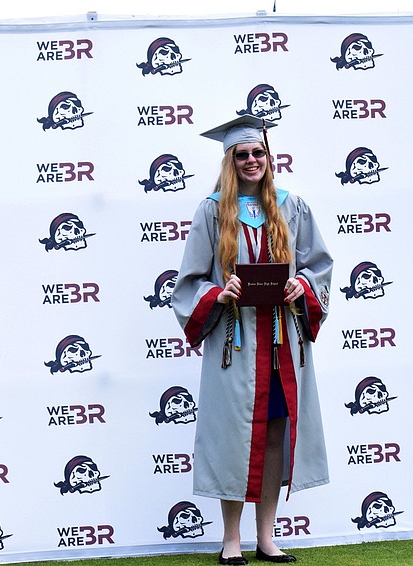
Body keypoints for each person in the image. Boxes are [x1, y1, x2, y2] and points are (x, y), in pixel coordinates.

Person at [172, 115, 333, 565]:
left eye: (257, 153)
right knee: (234, 439)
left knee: (274, 436)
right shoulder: (212, 210)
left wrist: (302, 284)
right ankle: (230, 539)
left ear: (269, 157)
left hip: (282, 345)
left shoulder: (291, 207)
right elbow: (189, 282)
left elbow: (317, 266)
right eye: (241, 154)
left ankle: (266, 537)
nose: (251, 160)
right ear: (230, 160)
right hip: (235, 347)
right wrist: (217, 294)